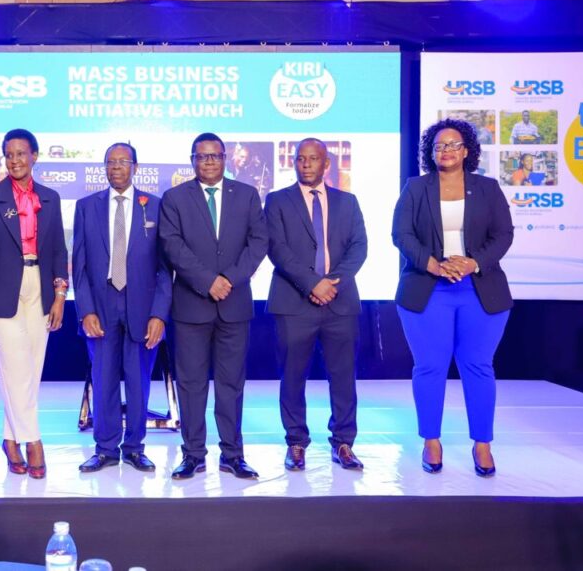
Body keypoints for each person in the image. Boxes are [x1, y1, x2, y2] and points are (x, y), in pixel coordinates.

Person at [392, 118, 513, 477]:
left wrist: (473, 262)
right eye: (439, 145)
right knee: (429, 366)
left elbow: (503, 235)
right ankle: (431, 440)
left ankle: (482, 444)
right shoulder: (416, 188)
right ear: (431, 152)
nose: (446, 150)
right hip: (427, 289)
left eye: (453, 144)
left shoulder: (487, 188)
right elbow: (401, 234)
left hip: (479, 289)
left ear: (466, 151)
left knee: (478, 366)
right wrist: (433, 264)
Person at [159, 133, 268, 480]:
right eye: (202, 156)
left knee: (231, 384)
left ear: (225, 159)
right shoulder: (175, 198)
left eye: (215, 156)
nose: (209, 162)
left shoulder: (247, 195)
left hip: (234, 305)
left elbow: (259, 243)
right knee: (191, 384)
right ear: (192, 160)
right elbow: (172, 245)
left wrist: (229, 279)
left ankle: (233, 454)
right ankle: (193, 454)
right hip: (191, 306)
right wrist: (207, 281)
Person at [0, 128, 67, 479]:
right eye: (9, 155)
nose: (14, 160)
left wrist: (59, 297)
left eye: (21, 153)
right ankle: (33, 441)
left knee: (31, 372)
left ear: (34, 156)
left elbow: (59, 250)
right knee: (14, 370)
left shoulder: (50, 198)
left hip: (40, 289)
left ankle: (10, 440)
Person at [265, 138, 368, 471]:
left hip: (340, 302)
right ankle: (296, 442)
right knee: (293, 377)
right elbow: (277, 249)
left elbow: (359, 247)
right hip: (294, 302)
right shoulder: (277, 200)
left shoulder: (347, 202)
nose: (306, 164)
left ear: (326, 164)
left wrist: (331, 283)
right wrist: (312, 283)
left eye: (313, 158)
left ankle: (344, 443)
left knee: (343, 376)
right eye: (300, 158)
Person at [72, 143, 171, 474]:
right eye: (110, 162)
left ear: (135, 167)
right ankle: (105, 449)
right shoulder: (87, 207)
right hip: (100, 308)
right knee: (103, 381)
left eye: (123, 162)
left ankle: (135, 448)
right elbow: (79, 266)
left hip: (142, 308)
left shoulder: (155, 206)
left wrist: (159, 314)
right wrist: (86, 310)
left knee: (139, 381)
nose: (116, 167)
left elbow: (165, 268)